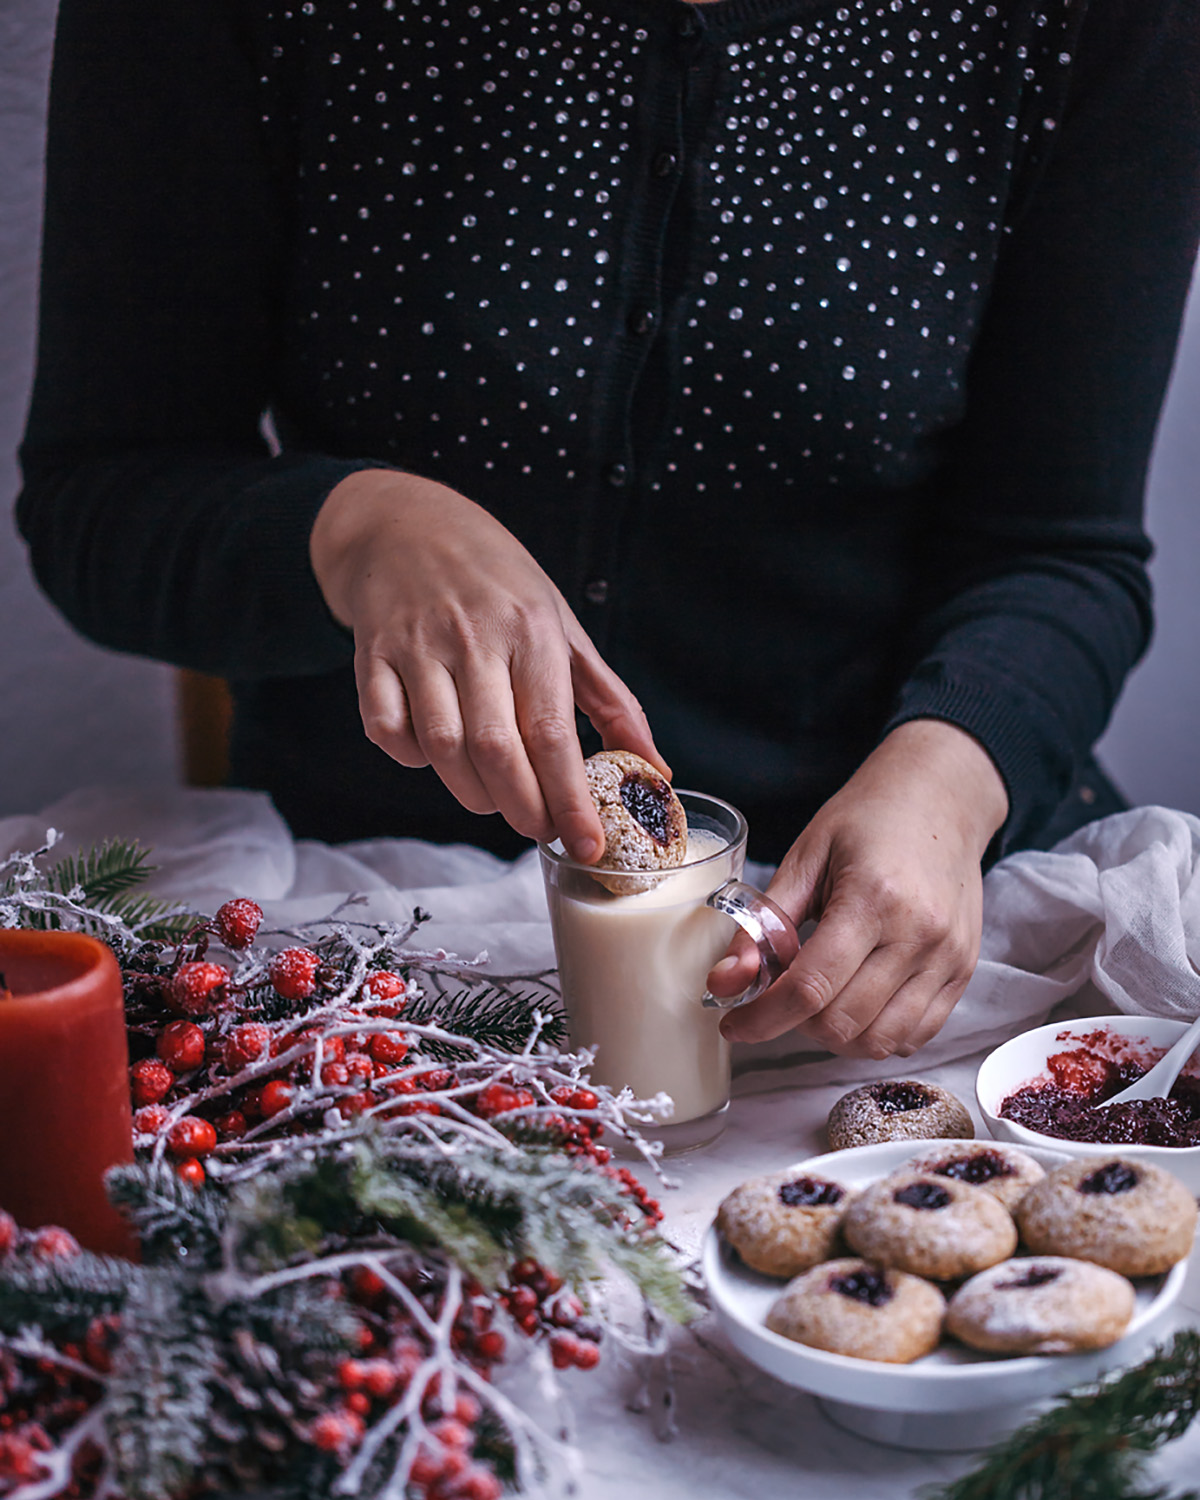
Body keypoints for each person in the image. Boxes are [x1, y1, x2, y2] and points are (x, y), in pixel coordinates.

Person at [17, 0, 1200, 1060]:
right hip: (378, 961)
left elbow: (1064, 551)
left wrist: (953, 774)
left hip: (895, 947)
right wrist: (354, 525)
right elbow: (100, 498)